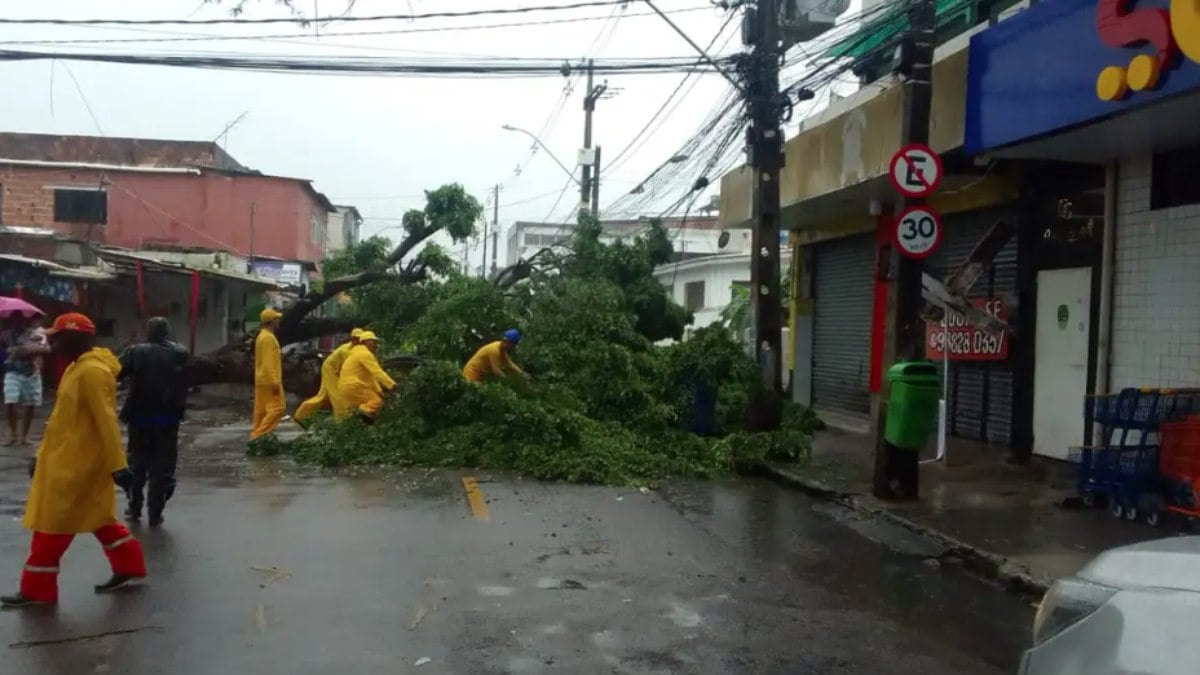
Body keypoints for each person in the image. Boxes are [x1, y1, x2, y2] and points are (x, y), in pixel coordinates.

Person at [1, 312, 147, 608]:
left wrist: (118, 465)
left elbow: (106, 421)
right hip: (64, 461)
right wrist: (40, 456)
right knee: (99, 519)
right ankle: (129, 566)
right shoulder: (76, 368)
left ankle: (37, 590)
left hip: (77, 466)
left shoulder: (92, 372)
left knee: (52, 525)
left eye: (57, 338)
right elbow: (60, 422)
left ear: (74, 338)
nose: (51, 344)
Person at [118, 317, 189, 526]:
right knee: (163, 465)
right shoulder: (180, 353)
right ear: (167, 332)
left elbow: (117, 371)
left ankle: (134, 507)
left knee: (137, 463)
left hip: (140, 416)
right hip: (168, 417)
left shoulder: (135, 351)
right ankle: (156, 512)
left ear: (149, 331)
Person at [294, 328, 363, 425]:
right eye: (358, 339)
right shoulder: (346, 351)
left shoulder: (354, 350)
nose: (360, 341)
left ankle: (300, 415)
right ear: (353, 339)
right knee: (338, 396)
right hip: (331, 370)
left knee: (323, 396)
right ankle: (342, 420)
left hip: (331, 369)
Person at [3, 313, 51, 446]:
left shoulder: (34, 333)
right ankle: (13, 434)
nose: (16, 322)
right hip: (12, 371)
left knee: (30, 404)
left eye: (18, 319)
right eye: (13, 319)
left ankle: (24, 436)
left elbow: (46, 348)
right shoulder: (6, 335)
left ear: (24, 320)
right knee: (10, 401)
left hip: (31, 372)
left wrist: (25, 349)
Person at [337, 331, 395, 423]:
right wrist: (392, 385)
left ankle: (364, 421)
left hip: (345, 388)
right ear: (365, 342)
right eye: (373, 341)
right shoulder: (364, 354)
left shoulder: (356, 353)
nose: (375, 345)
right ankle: (361, 413)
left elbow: (371, 377)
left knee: (370, 409)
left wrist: (380, 392)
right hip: (353, 385)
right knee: (376, 402)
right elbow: (377, 372)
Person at [250, 308, 285, 441]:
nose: (279, 321)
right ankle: (258, 436)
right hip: (269, 380)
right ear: (272, 321)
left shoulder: (261, 336)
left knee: (261, 412)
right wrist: (274, 382)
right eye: (277, 319)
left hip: (261, 380)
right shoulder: (268, 338)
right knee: (278, 408)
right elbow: (267, 362)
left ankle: (256, 436)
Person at [463, 329, 527, 383]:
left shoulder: (501, 349)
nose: (512, 347)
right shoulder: (494, 350)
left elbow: (509, 363)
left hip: (479, 376)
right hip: (471, 373)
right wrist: (509, 382)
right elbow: (496, 371)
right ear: (510, 343)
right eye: (513, 345)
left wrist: (522, 373)